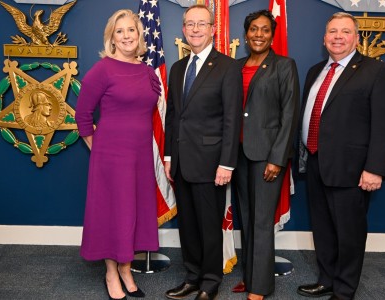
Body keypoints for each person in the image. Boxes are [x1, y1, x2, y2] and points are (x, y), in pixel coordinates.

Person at [297, 12, 385, 300]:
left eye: (344, 31)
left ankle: (344, 291)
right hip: (316, 162)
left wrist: (375, 169)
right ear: (324, 38)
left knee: (349, 233)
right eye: (332, 31)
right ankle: (326, 279)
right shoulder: (315, 70)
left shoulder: (375, 71)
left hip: (352, 169)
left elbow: (384, 124)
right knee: (323, 228)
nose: (337, 36)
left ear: (356, 37)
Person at [75, 9, 161, 300]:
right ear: (111, 37)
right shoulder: (103, 70)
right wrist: (97, 148)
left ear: (139, 35)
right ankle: (112, 272)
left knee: (133, 212)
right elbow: (83, 115)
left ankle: (127, 267)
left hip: (140, 156)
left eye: (131, 30)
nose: (127, 36)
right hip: (110, 157)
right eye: (120, 31)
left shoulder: (147, 71)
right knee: (113, 213)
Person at [164, 4, 242, 300]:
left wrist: (227, 164)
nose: (195, 29)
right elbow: (173, 116)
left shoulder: (227, 67)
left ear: (212, 29)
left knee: (209, 226)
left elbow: (232, 119)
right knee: (188, 225)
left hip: (212, 164)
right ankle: (192, 276)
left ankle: (210, 280)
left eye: (201, 24)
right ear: (183, 29)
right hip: (182, 161)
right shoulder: (178, 68)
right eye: (190, 24)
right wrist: (170, 156)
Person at [231, 9, 299, 300]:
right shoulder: (235, 66)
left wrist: (277, 158)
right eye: (253, 29)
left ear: (272, 35)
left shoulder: (284, 66)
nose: (259, 35)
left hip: (266, 156)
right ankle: (250, 276)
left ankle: (260, 286)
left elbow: (290, 114)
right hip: (238, 155)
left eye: (265, 30)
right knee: (246, 218)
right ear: (245, 34)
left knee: (261, 220)